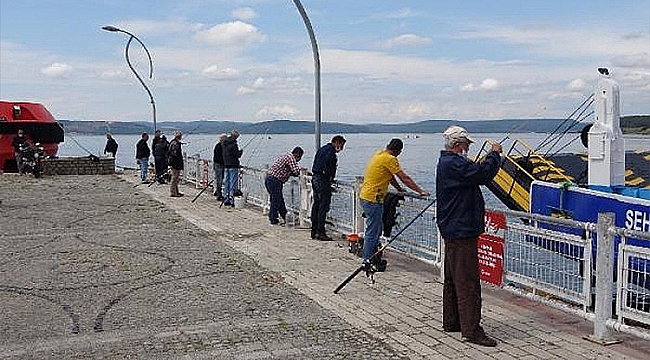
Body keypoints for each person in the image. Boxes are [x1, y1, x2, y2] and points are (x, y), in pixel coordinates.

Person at [436, 126, 502, 347]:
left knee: (453, 278)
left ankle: (452, 321)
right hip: (461, 230)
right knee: (468, 282)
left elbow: (471, 172)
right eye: (467, 145)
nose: (468, 149)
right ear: (459, 144)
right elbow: (482, 174)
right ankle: (472, 330)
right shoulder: (454, 164)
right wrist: (494, 154)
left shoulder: (449, 163)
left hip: (453, 228)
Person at [359, 138, 428, 269]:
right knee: (373, 232)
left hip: (366, 196)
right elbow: (404, 178)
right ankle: (367, 261)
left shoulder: (379, 154)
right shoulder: (390, 159)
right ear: (398, 151)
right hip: (373, 199)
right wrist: (420, 191)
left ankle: (373, 257)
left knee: (376, 230)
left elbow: (389, 176)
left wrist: (399, 189)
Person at [310, 135, 346, 241]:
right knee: (323, 206)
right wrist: (331, 178)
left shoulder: (322, 149)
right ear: (337, 142)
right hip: (322, 180)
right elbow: (329, 167)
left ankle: (314, 230)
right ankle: (321, 232)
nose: (342, 148)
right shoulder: (331, 153)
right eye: (342, 145)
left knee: (316, 205)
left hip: (315, 178)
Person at [265, 147, 304, 225]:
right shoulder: (290, 158)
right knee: (276, 199)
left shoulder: (285, 156)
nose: (299, 160)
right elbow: (296, 170)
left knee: (278, 199)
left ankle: (285, 217)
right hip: (274, 180)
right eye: (300, 157)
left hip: (270, 178)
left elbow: (289, 170)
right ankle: (273, 218)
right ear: (297, 154)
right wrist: (305, 171)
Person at [222, 130, 243, 207]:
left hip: (226, 165)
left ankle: (226, 198)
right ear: (235, 136)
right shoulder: (234, 144)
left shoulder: (225, 143)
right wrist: (240, 152)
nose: (237, 139)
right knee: (233, 183)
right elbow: (237, 155)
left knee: (227, 182)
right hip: (233, 166)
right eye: (237, 137)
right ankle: (232, 200)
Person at [167, 131, 184, 197]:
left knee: (176, 178)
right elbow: (174, 154)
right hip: (175, 163)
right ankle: (173, 192)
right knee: (174, 178)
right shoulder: (175, 143)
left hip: (175, 163)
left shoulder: (173, 142)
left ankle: (176, 191)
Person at [212, 134, 227, 201]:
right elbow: (219, 157)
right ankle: (219, 194)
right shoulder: (219, 146)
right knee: (219, 180)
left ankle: (218, 192)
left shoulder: (220, 146)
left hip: (219, 164)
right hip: (218, 165)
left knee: (219, 179)